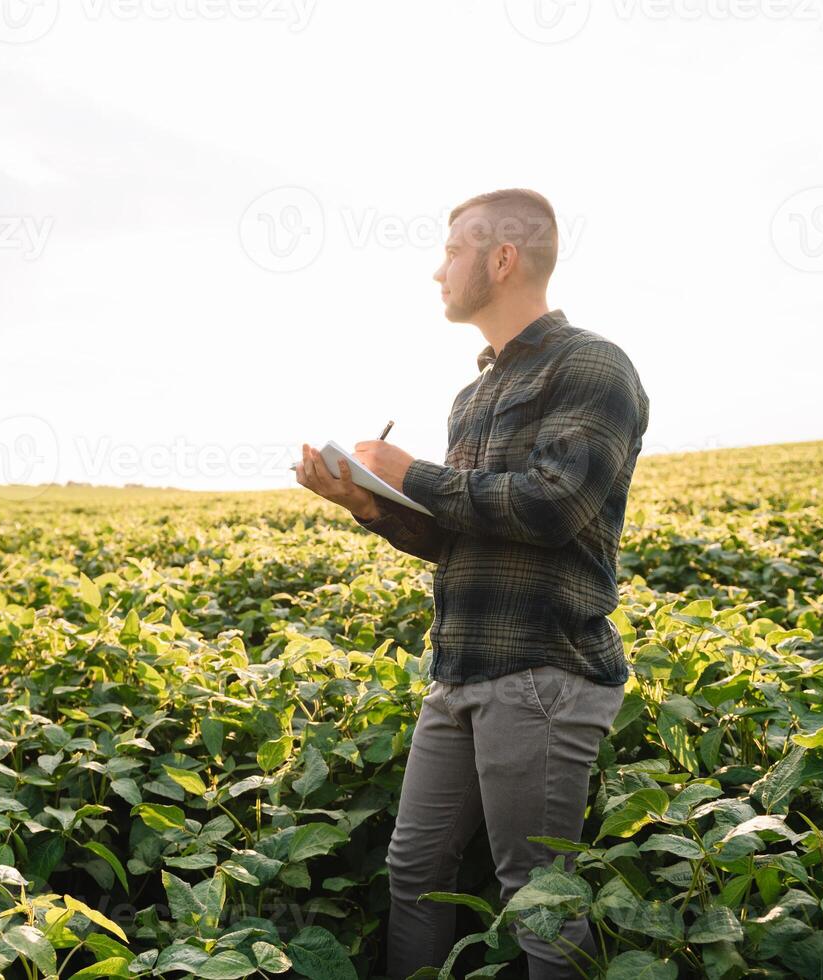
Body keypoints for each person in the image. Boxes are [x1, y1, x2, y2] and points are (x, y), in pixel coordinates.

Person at [294, 187, 649, 979]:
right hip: (456, 670)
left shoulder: (592, 365)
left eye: (452, 251)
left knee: (539, 895)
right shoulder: (473, 394)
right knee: (413, 872)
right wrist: (367, 502)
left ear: (502, 259)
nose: (437, 271)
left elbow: (554, 506)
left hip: (542, 671)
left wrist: (411, 472)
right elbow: (462, 535)